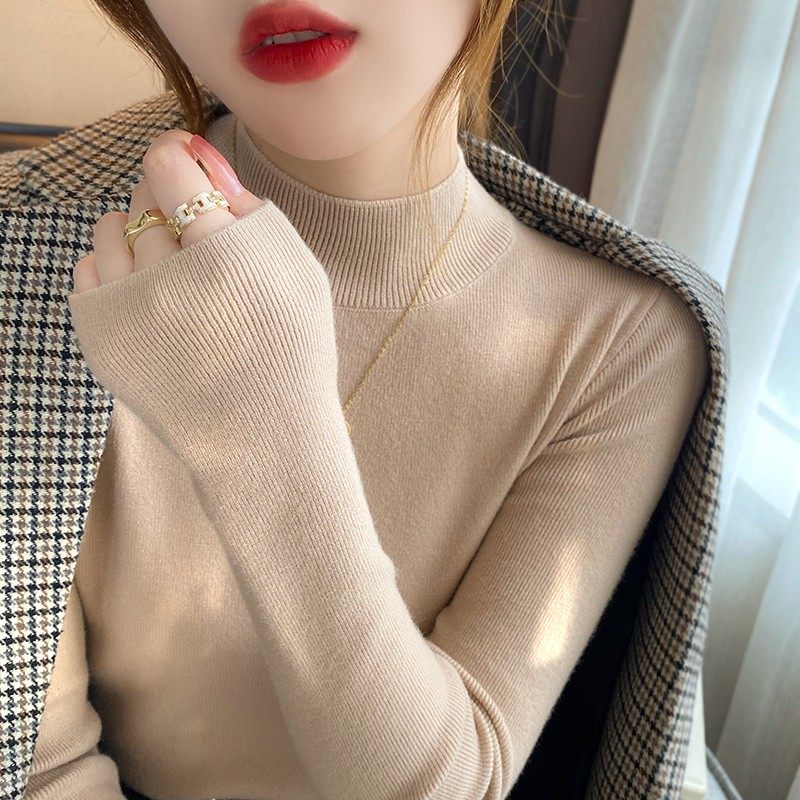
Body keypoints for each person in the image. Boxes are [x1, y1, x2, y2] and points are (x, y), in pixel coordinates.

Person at [6, 1, 716, 799]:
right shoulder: (26, 245)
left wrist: (265, 428)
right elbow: (38, 765)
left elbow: (450, 785)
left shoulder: (623, 342)